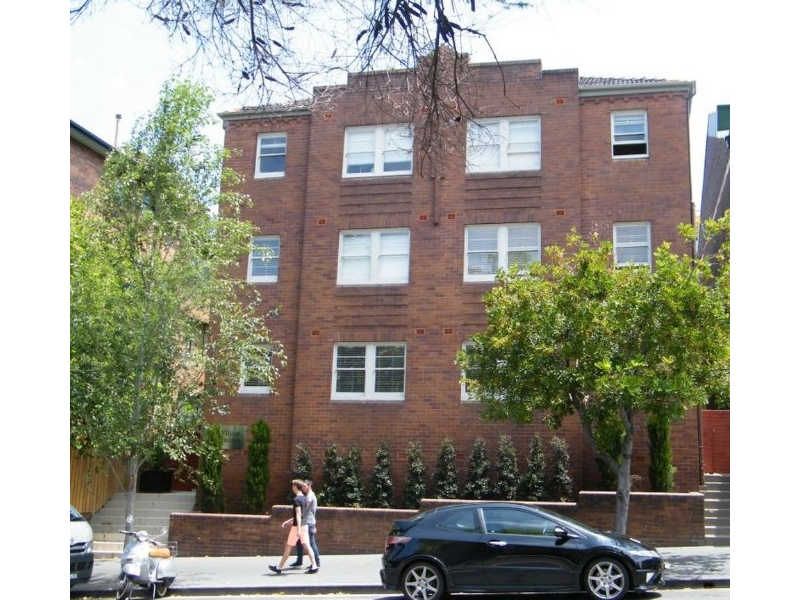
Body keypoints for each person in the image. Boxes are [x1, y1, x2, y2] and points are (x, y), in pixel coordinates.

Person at [269, 479, 318, 574]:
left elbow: (299, 514)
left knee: (288, 546)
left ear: (295, 487)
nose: (292, 487)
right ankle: (314, 566)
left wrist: (298, 529)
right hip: (305, 525)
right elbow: (302, 514)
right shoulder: (304, 498)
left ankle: (279, 567)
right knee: (307, 546)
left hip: (297, 527)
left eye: (293, 486)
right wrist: (289, 521)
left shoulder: (297, 500)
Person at [289, 479, 320, 569]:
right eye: (302, 486)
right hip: (306, 522)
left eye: (305, 486)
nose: (303, 488)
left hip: (308, 522)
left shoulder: (309, 496)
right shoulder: (308, 496)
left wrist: (292, 519)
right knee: (299, 542)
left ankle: (316, 562)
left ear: (309, 486)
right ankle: (299, 561)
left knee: (310, 543)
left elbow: (302, 511)